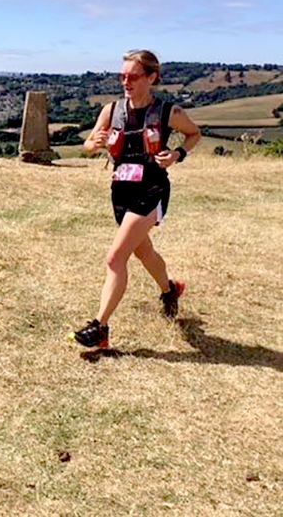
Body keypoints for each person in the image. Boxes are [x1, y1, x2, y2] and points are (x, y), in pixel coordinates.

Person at [72, 49, 201, 349]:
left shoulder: (169, 112)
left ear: (152, 77)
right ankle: (170, 289)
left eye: (133, 76)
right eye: (123, 76)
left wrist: (178, 154)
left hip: (152, 189)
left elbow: (195, 134)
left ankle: (100, 328)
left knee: (116, 257)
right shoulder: (112, 110)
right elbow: (88, 143)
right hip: (121, 190)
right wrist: (96, 143)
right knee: (144, 253)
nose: (126, 82)